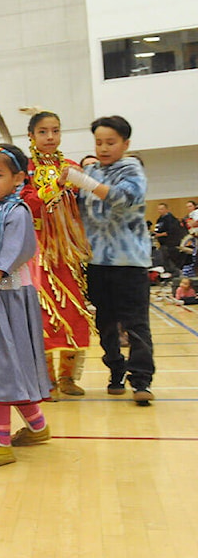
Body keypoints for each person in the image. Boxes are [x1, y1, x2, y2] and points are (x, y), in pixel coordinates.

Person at [0, 144, 53, 468]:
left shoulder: (17, 213)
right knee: (4, 365)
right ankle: (38, 426)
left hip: (8, 298)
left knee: (0, 367)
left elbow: (4, 263)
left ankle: (1, 444)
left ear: (17, 178)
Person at [62, 116, 155, 404]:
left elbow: (122, 198)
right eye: (98, 142)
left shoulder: (131, 168)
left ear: (125, 144)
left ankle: (141, 380)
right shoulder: (93, 171)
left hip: (130, 263)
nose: (103, 148)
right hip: (98, 263)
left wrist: (81, 179)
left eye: (110, 142)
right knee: (105, 322)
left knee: (136, 323)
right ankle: (115, 371)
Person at [18, 109, 94, 398]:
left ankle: (68, 377)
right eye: (43, 132)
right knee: (43, 312)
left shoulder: (72, 166)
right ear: (31, 136)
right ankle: (45, 379)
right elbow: (28, 205)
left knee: (74, 310)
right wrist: (56, 185)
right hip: (38, 250)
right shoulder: (24, 170)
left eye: (56, 131)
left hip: (69, 251)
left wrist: (82, 182)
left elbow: (94, 198)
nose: (50, 137)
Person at [153, 202, 185, 274]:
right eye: (159, 209)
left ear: (166, 209)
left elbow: (172, 231)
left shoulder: (171, 219)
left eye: (162, 209)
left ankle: (176, 273)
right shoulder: (160, 219)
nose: (160, 211)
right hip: (163, 244)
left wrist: (160, 235)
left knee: (171, 260)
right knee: (165, 260)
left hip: (170, 244)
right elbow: (158, 229)